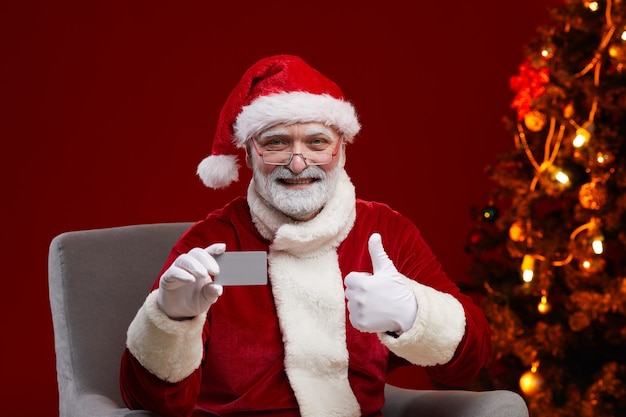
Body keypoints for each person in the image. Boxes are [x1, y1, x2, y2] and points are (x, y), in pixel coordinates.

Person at [119, 54, 493, 417]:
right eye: (276, 143)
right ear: (249, 155)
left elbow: (469, 363)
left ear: (341, 150)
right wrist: (173, 319)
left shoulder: (384, 232)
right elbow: (151, 404)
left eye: (317, 142)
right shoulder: (211, 243)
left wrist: (413, 313)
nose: (298, 163)